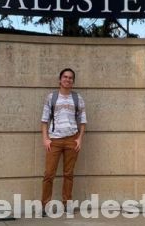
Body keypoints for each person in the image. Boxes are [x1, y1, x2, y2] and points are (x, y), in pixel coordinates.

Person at [40, 68, 87, 215]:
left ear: (73, 81)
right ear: (60, 80)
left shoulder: (77, 98)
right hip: (54, 140)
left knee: (68, 174)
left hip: (71, 140)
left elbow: (83, 121)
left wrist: (79, 139)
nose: (68, 80)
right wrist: (45, 139)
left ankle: (67, 204)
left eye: (71, 78)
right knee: (49, 174)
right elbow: (44, 120)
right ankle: (45, 206)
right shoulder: (51, 97)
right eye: (65, 77)